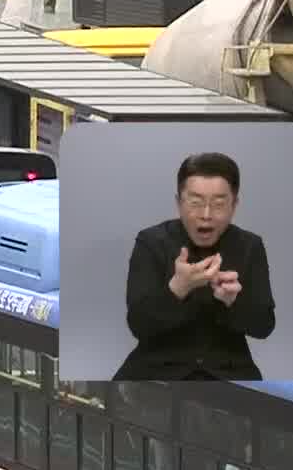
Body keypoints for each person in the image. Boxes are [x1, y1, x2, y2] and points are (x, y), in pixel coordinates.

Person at [114, 152, 275, 381]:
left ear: (234, 205)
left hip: (228, 374)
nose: (206, 215)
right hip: (157, 372)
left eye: (218, 204)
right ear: (179, 203)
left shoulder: (249, 246)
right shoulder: (152, 242)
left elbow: (264, 326)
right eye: (196, 203)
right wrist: (178, 288)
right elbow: (138, 325)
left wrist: (233, 302)